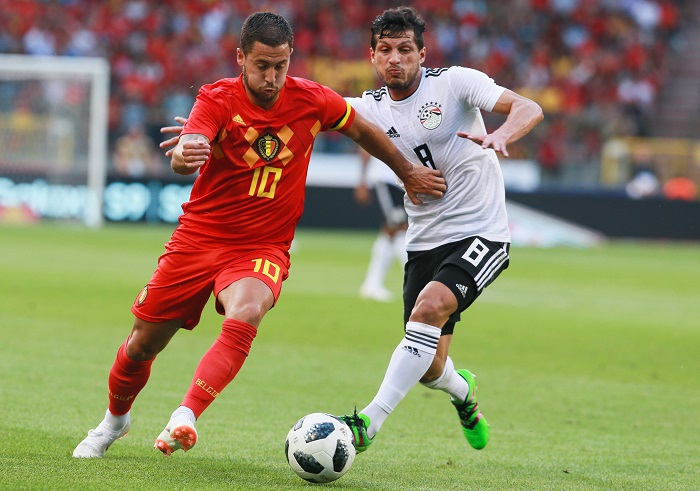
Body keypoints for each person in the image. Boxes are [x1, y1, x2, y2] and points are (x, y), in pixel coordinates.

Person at [72, 11, 445, 459]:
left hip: (261, 247)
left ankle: (186, 415)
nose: (271, 78)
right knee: (140, 346)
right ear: (240, 59)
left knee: (247, 311)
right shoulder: (216, 98)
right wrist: (186, 156)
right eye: (262, 66)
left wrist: (407, 173)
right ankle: (115, 420)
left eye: (281, 66)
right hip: (199, 239)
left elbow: (363, 130)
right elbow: (189, 147)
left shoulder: (313, 100)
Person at [337, 6, 543, 453]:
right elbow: (301, 110)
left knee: (428, 308)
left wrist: (503, 134)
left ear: (422, 53)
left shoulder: (454, 84)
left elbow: (529, 106)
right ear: (372, 56)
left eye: (405, 50)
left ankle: (366, 425)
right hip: (424, 240)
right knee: (429, 367)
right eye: (386, 50)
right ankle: (463, 392)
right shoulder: (365, 108)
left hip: (481, 231)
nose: (396, 58)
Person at [355, 148, 408, 302]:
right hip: (387, 179)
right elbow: (364, 146)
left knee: (391, 231)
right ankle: (416, 279)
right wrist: (362, 179)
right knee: (398, 228)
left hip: (403, 181)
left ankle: (371, 284)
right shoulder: (379, 122)